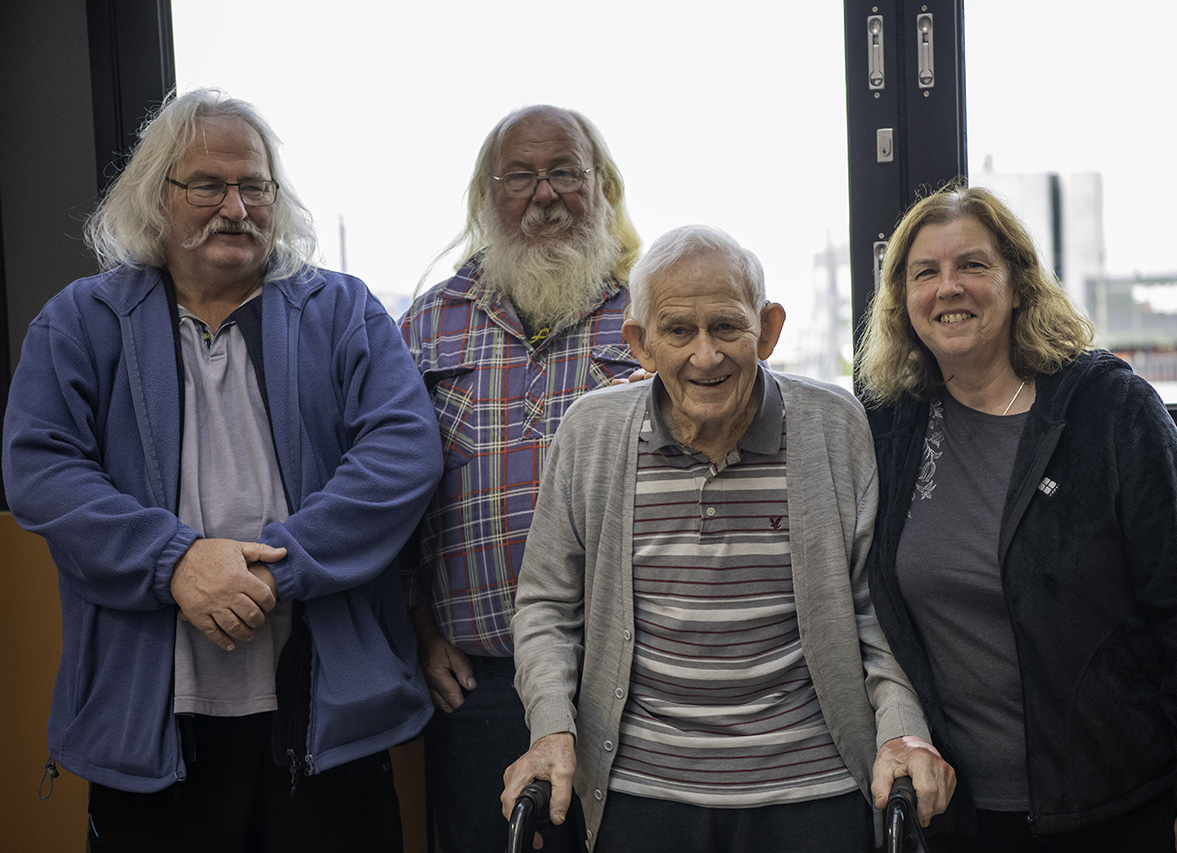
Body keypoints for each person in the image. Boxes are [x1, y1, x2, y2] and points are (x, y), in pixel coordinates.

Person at [2, 88, 442, 852]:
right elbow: (42, 468)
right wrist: (174, 562)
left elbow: (403, 453)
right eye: (207, 184)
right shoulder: (81, 320)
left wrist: (281, 569)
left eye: (255, 187)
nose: (235, 206)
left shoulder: (344, 312)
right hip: (150, 728)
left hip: (325, 717)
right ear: (156, 199)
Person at [500, 224, 956, 853]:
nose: (705, 355)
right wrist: (551, 728)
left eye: (727, 327)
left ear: (767, 330)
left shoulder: (833, 426)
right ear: (640, 343)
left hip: (815, 789)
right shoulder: (591, 434)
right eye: (678, 331)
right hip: (640, 794)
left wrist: (903, 733)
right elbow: (547, 608)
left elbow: (878, 614)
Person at [852, 184, 1177, 853]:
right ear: (903, 300)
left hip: (1112, 805)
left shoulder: (1110, 409)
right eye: (925, 272)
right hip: (960, 814)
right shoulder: (891, 425)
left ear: (1018, 282)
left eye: (973, 266)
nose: (948, 287)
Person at [400, 104, 643, 851]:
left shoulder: (653, 310)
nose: (545, 195)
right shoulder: (428, 325)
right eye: (521, 177)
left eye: (566, 172)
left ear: (601, 187)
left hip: (631, 682)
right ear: (487, 196)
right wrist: (419, 624)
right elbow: (392, 497)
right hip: (478, 684)